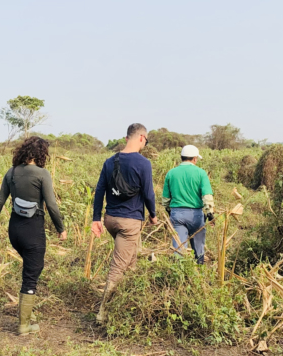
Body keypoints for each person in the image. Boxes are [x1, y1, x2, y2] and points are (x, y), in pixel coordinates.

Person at [0, 136, 67, 335]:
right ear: (41, 154)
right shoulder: (42, 174)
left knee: (31, 269)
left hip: (15, 231)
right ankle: (23, 325)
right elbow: (51, 205)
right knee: (32, 273)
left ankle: (27, 313)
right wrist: (60, 228)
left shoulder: (11, 173)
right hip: (33, 230)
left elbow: (0, 201)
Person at [91, 123, 158, 323]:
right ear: (141, 138)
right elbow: (148, 193)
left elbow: (100, 190)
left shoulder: (110, 161)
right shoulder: (144, 163)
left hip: (110, 219)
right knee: (119, 266)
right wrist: (153, 215)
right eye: (146, 140)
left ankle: (126, 305)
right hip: (129, 223)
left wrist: (96, 218)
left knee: (130, 261)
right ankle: (103, 313)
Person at [161, 144, 215, 263]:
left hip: (177, 214)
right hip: (196, 215)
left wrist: (169, 210)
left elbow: (165, 198)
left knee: (179, 250)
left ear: (182, 157)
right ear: (195, 158)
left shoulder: (171, 173)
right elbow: (207, 196)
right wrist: (210, 213)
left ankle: (180, 276)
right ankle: (199, 272)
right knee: (199, 250)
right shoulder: (201, 173)